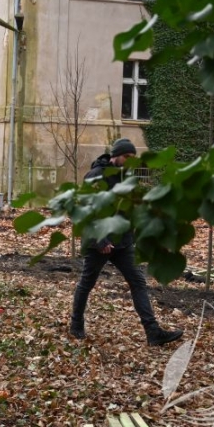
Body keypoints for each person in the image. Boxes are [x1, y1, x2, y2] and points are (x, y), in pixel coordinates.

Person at [70, 138, 183, 346]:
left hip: (123, 242)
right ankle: (76, 324)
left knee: (138, 282)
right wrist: (100, 240)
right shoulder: (96, 176)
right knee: (87, 283)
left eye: (133, 157)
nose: (130, 161)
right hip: (98, 243)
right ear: (114, 156)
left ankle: (153, 332)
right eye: (126, 157)